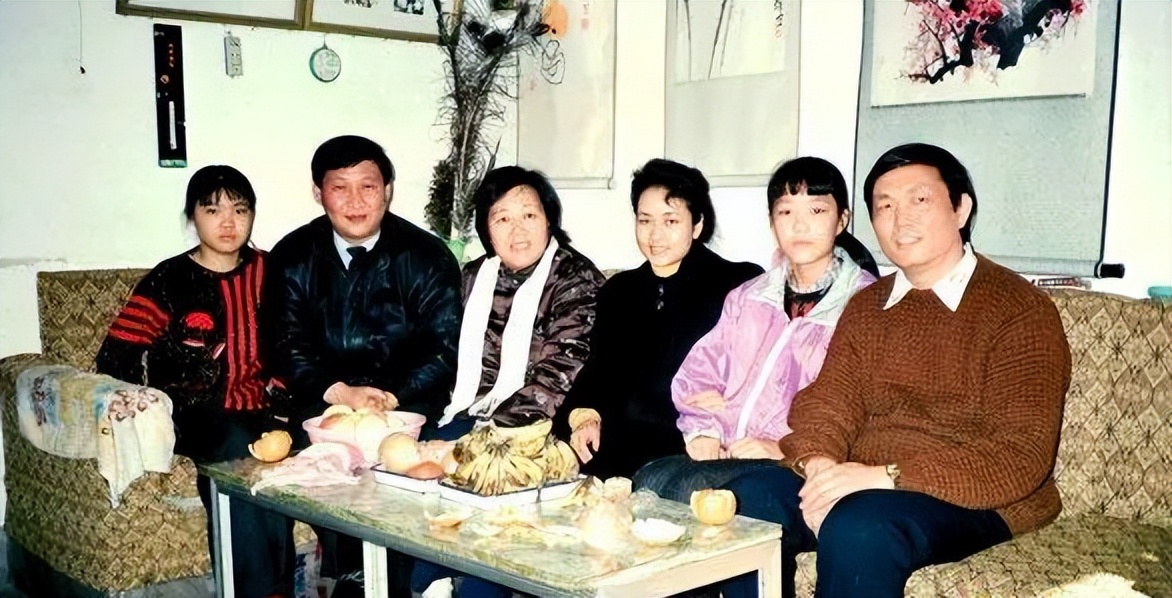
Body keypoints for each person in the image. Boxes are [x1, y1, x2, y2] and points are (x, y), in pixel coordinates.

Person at [717, 143, 1072, 598]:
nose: (900, 219)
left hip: (976, 498)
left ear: (961, 209)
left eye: (919, 200)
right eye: (885, 206)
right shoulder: (868, 306)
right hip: (864, 485)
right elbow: (828, 402)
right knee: (747, 502)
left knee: (860, 527)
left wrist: (883, 476)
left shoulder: (1019, 309)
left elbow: (1019, 455)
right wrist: (821, 467)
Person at [264, 135, 463, 598]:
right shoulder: (292, 256)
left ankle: (385, 583)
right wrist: (339, 392)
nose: (355, 201)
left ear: (388, 189)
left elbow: (444, 347)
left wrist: (391, 397)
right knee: (333, 461)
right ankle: (353, 577)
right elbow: (282, 343)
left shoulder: (426, 256)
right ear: (318, 192)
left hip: (408, 403)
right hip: (323, 403)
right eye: (340, 187)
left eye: (368, 187)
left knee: (403, 462)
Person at [96, 165, 294, 598]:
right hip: (195, 415)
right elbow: (115, 355)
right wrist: (141, 406)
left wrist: (285, 402)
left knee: (315, 447)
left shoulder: (271, 271)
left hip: (266, 410)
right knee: (239, 446)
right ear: (193, 217)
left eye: (240, 210)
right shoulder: (169, 280)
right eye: (213, 210)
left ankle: (332, 580)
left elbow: (295, 342)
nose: (228, 222)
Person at [633, 157, 878, 502]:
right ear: (772, 222)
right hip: (730, 453)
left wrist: (782, 446)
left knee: (715, 493)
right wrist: (704, 431)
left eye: (817, 211)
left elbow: (857, 407)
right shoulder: (750, 297)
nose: (800, 225)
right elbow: (700, 372)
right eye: (786, 212)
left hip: (801, 464)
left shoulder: (866, 304)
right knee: (649, 479)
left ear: (842, 219)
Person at [414, 166, 606, 598]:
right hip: (465, 415)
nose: (517, 230)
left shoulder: (574, 279)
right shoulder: (471, 277)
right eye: (502, 218)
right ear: (486, 228)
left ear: (549, 219)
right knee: (407, 469)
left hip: (540, 430)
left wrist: (477, 441)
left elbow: (559, 375)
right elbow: (437, 350)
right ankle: (427, 581)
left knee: (481, 495)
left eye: (529, 215)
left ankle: (455, 585)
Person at [554, 158, 762, 480]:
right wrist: (586, 415)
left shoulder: (737, 284)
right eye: (645, 220)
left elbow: (759, 374)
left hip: (692, 443)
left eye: (670, 221)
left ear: (697, 225)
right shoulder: (619, 290)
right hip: (619, 442)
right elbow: (600, 368)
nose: (655, 235)